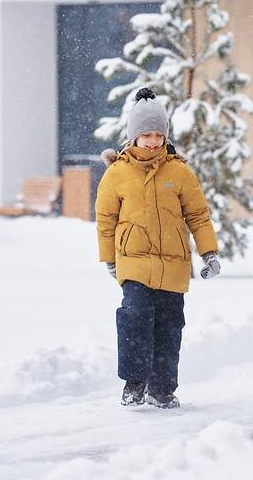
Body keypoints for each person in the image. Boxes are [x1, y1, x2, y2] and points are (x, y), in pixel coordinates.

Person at [95, 88, 220, 409]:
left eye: (158, 135)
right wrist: (109, 259)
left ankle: (161, 389)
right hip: (133, 262)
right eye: (146, 135)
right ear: (133, 136)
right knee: (135, 318)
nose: (152, 141)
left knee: (169, 325)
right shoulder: (117, 173)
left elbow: (198, 215)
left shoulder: (179, 172)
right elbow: (105, 220)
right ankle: (135, 383)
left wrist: (209, 252)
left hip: (173, 264)